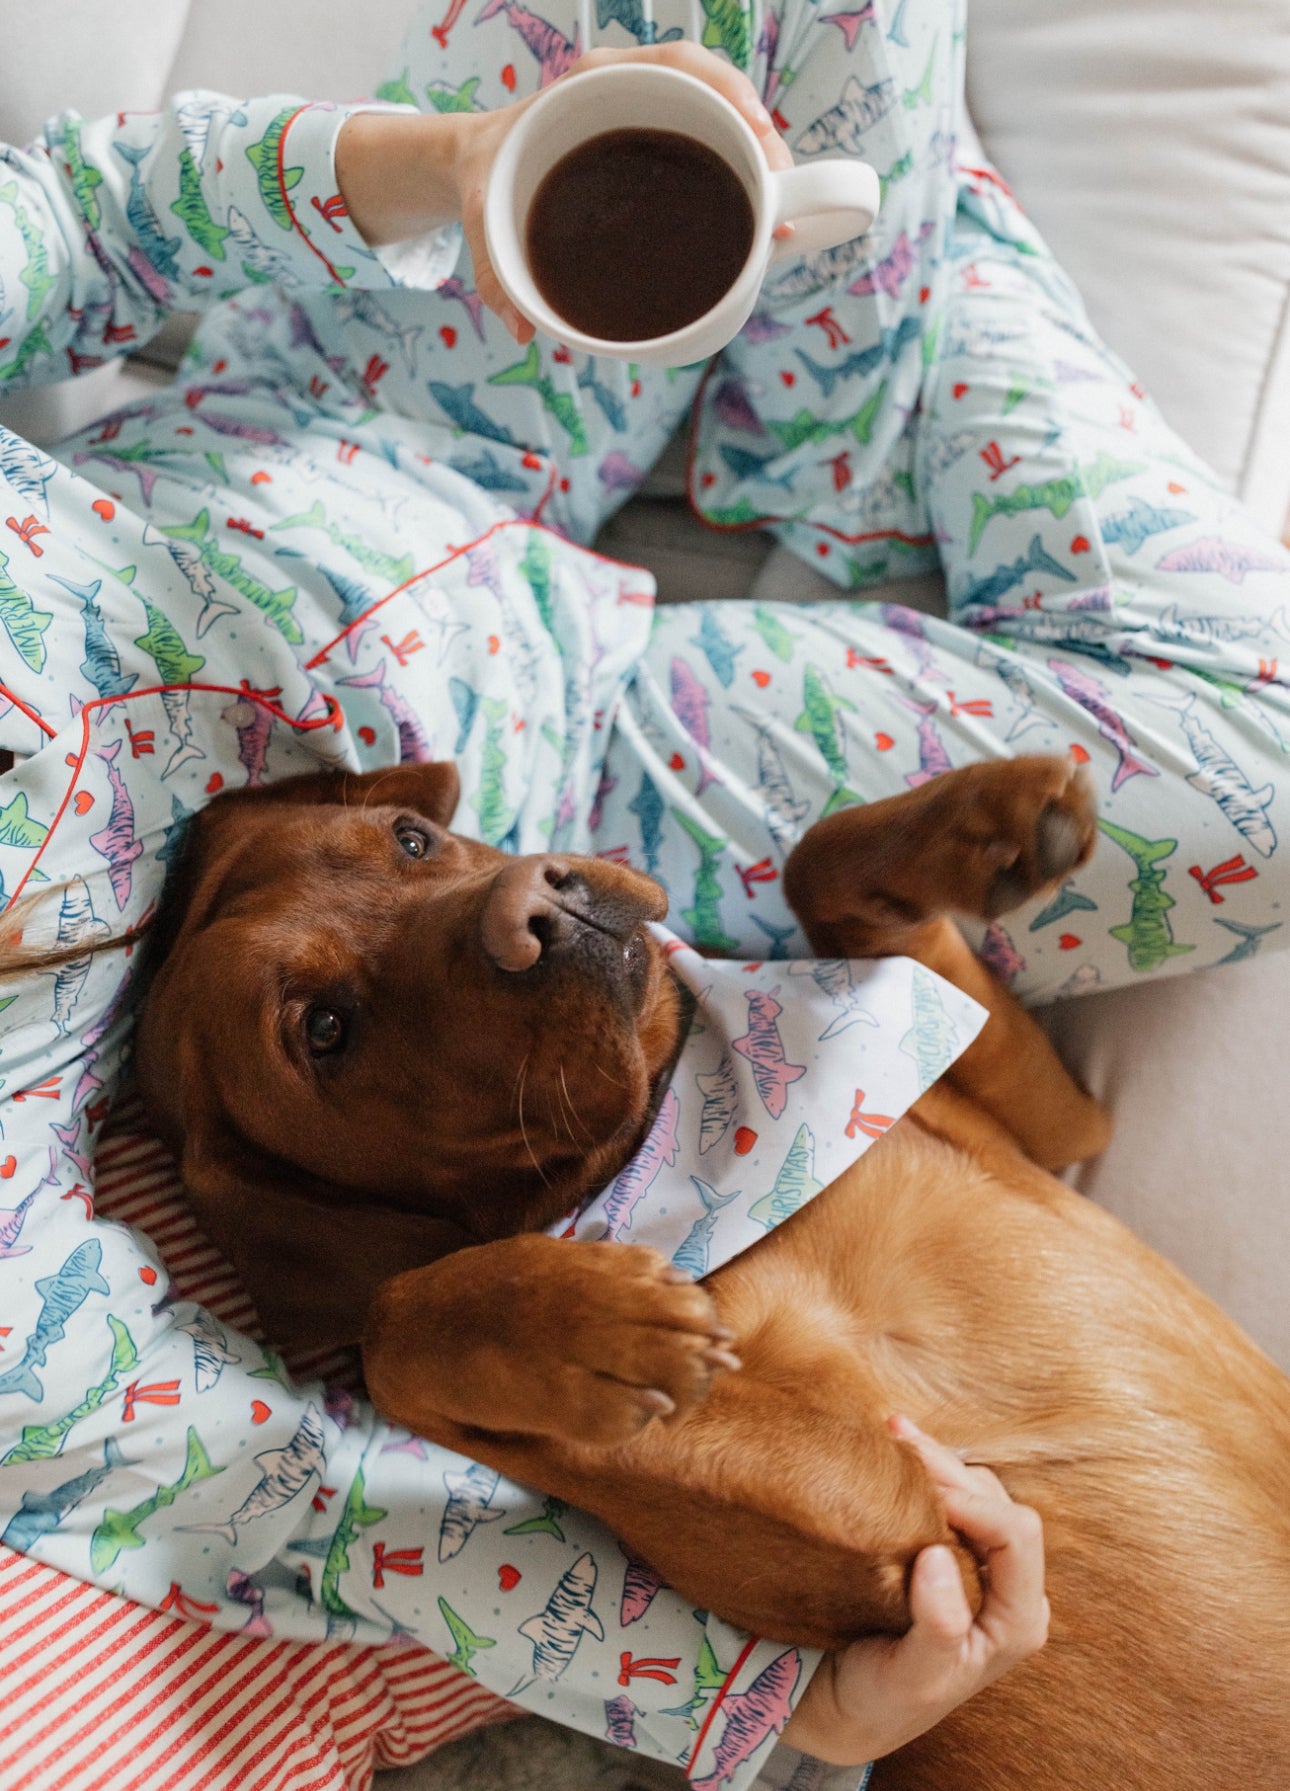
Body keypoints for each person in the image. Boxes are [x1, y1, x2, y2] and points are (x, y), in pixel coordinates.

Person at [0, 0, 1284, 1783]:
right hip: (626, 767)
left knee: (785, 35)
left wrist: (433, 174)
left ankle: (829, 352)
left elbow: (66, 221)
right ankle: (845, 364)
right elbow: (235, 1481)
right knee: (1264, 770)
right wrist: (746, 1704)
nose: (498, 904)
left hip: (374, 427)